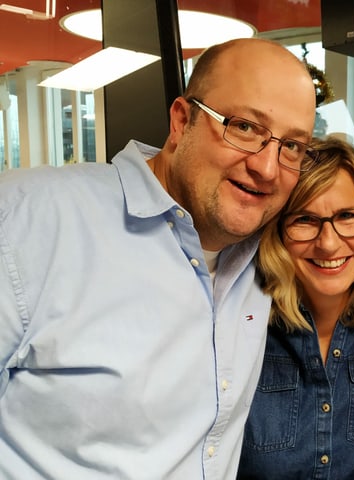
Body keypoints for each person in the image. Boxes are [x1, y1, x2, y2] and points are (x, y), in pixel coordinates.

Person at [0, 38, 317, 479]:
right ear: (181, 120)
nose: (266, 167)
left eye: (292, 147)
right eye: (244, 127)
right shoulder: (27, 220)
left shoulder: (271, 250)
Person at [237, 136, 354, 479]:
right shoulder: (241, 323)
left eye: (348, 215)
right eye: (304, 219)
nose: (328, 243)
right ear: (278, 230)